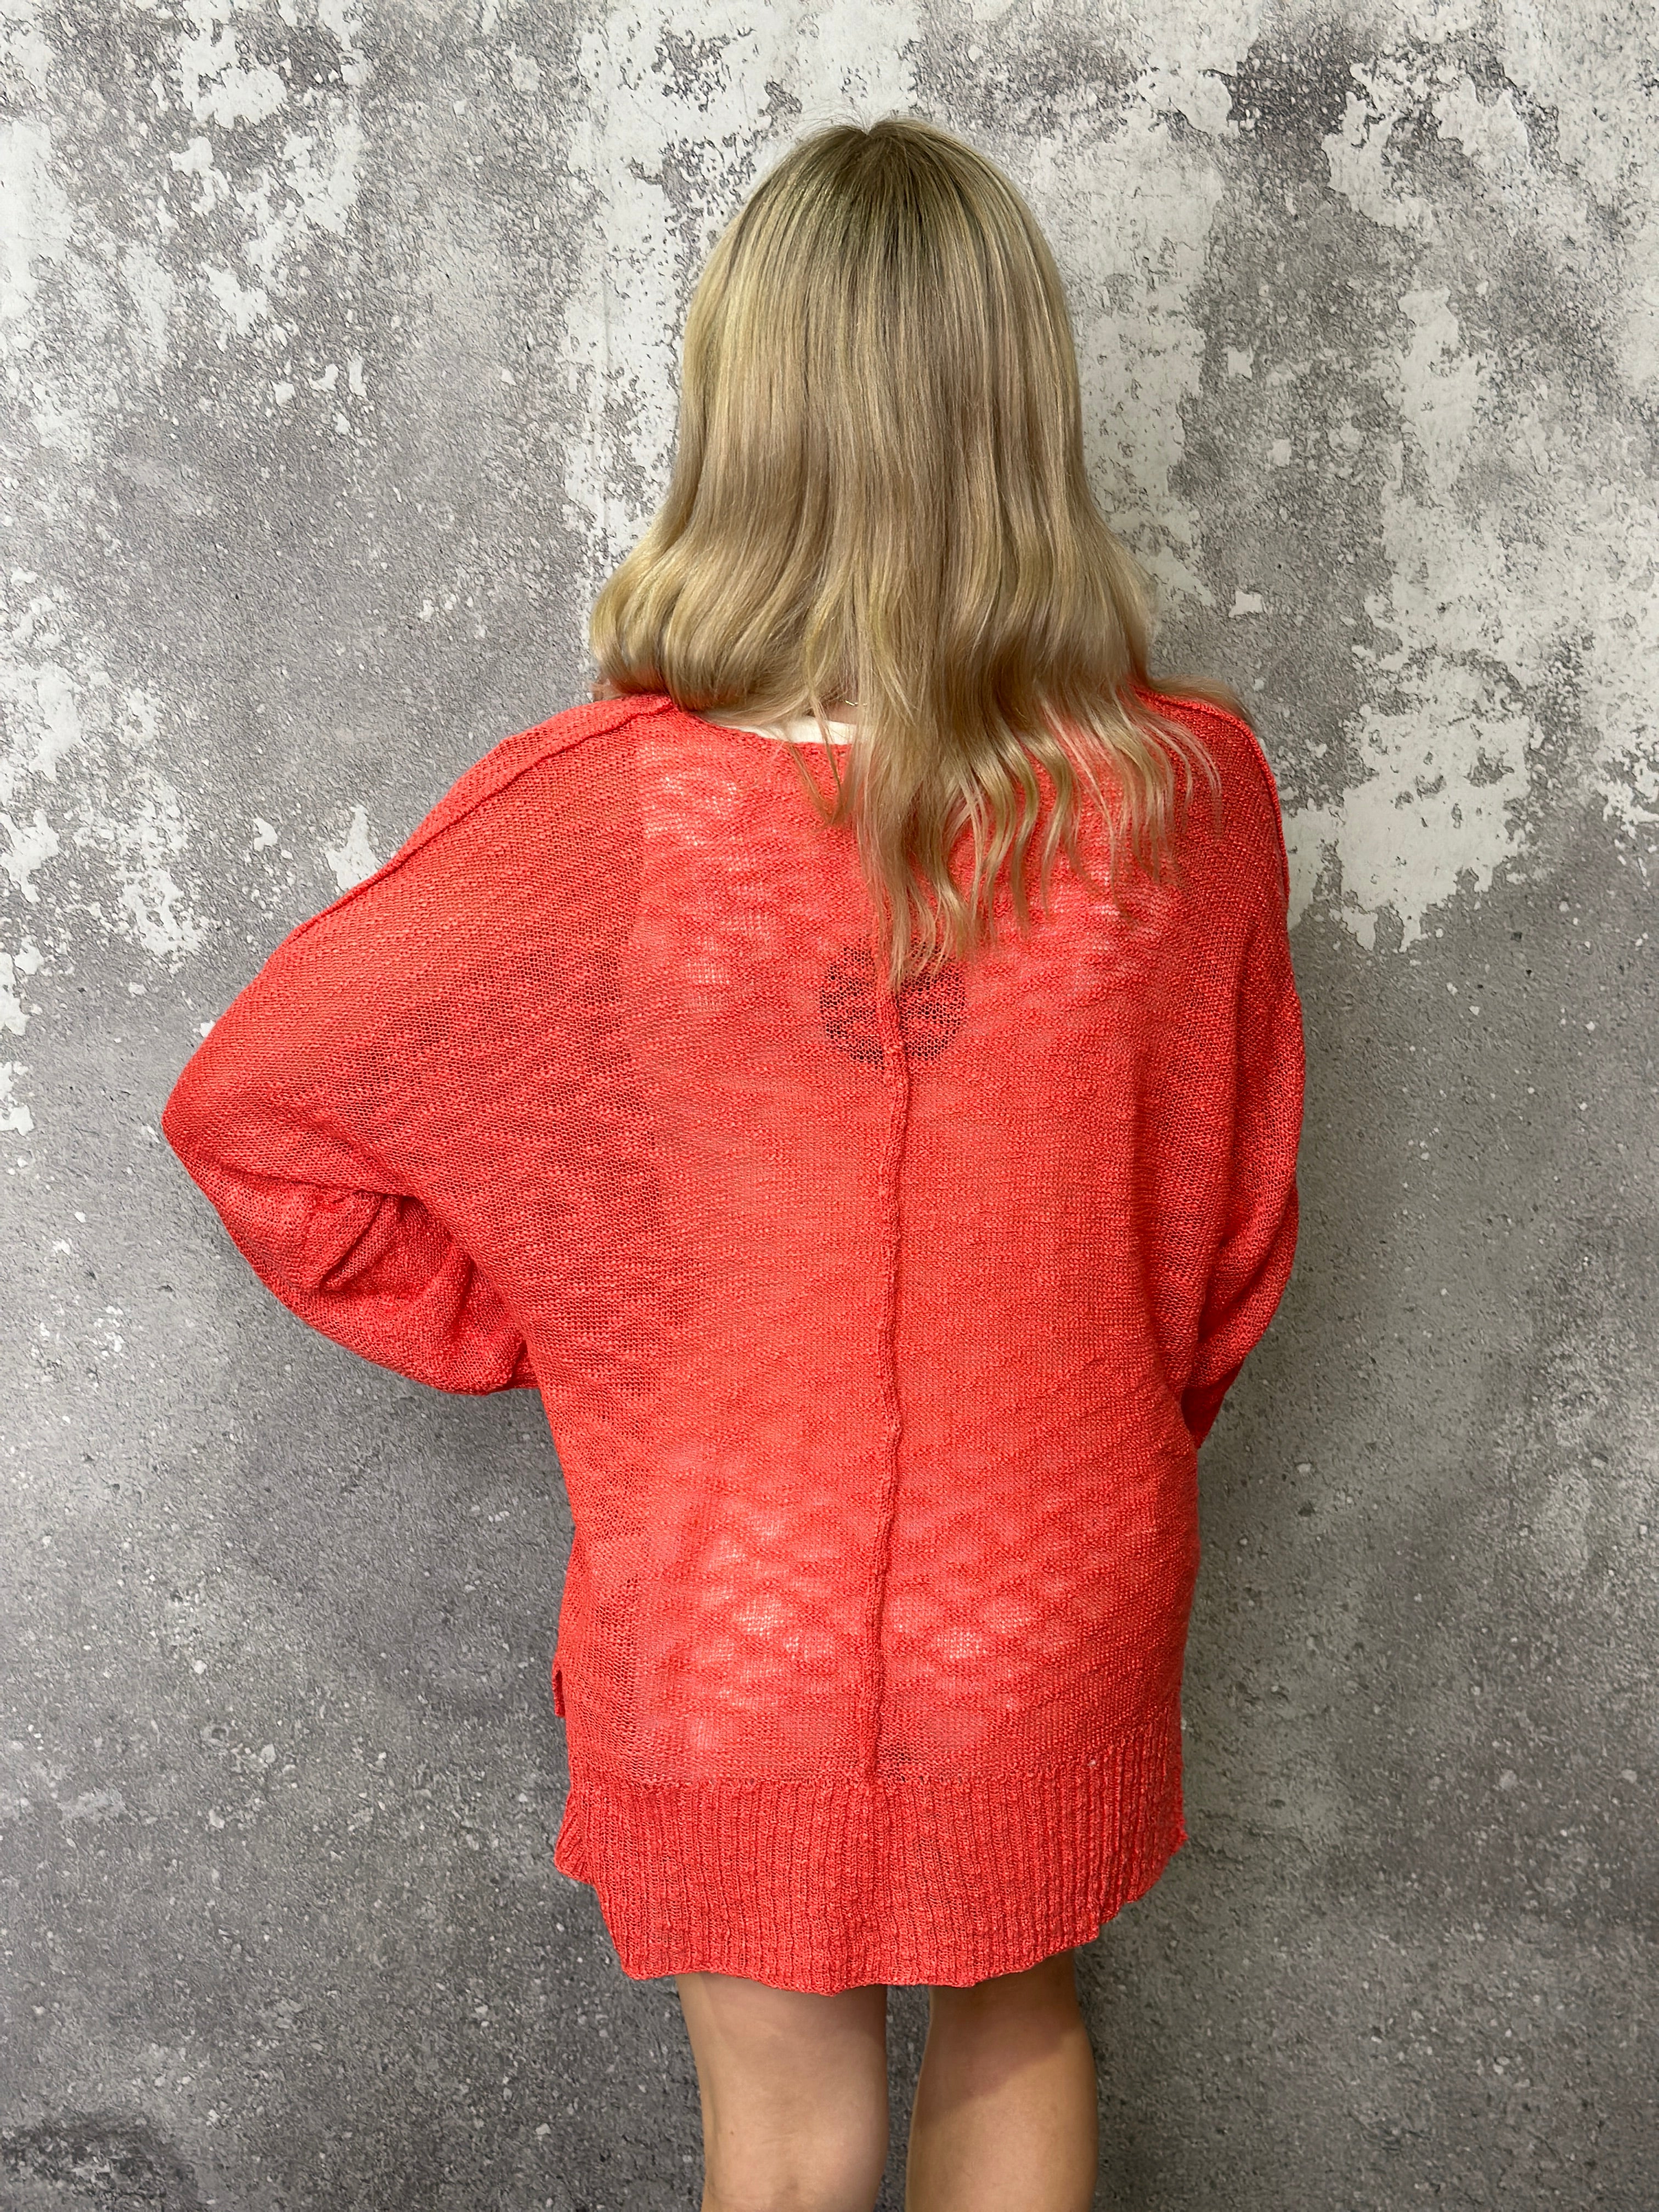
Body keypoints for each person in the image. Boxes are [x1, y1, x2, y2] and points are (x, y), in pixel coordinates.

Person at [162, 115, 1304, 2212]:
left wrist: (589, 1338)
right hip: (1058, 1558)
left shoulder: (597, 813)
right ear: (1022, 408)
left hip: (727, 1588)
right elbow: (1225, 1246)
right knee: (1025, 2024)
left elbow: (261, 1117)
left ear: (739, 410)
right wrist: (1098, 1439)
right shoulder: (1187, 802)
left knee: (780, 2143)